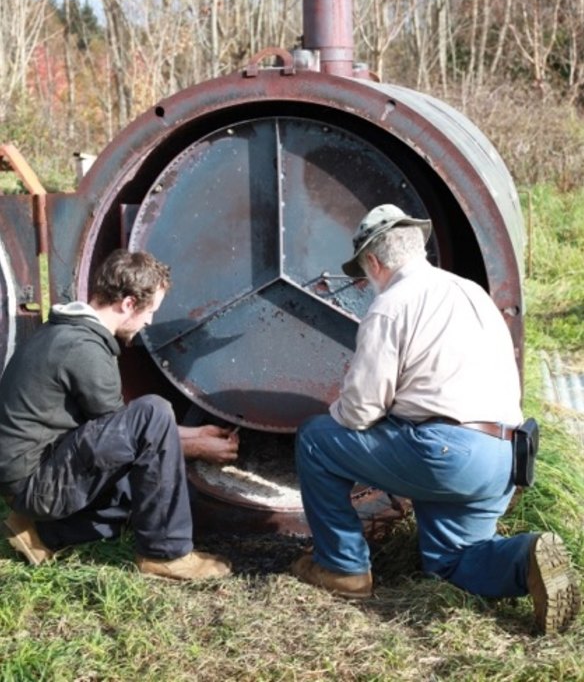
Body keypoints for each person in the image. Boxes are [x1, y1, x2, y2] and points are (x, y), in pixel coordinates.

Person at [291, 204, 581, 634]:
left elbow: (360, 411)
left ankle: (342, 567)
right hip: (505, 457)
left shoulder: (391, 306)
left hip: (446, 454)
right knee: (451, 560)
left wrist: (347, 415)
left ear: (373, 261)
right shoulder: (472, 293)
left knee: (317, 438)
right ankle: (525, 559)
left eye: (363, 271)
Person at [0, 249, 239, 580]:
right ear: (128, 303)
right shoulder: (83, 348)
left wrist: (195, 434)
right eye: (150, 311)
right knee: (153, 411)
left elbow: (116, 426)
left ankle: (40, 535)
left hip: (31, 475)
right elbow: (136, 432)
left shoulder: (66, 330)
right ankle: (165, 554)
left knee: (146, 480)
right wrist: (197, 447)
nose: (149, 322)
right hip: (36, 485)